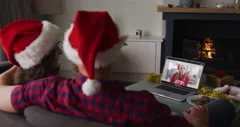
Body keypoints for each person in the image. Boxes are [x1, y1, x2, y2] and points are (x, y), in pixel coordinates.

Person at [0, 11, 236, 127]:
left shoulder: (45, 90)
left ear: (72, 54)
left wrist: (11, 70)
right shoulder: (144, 106)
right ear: (116, 50)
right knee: (223, 106)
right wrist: (198, 124)